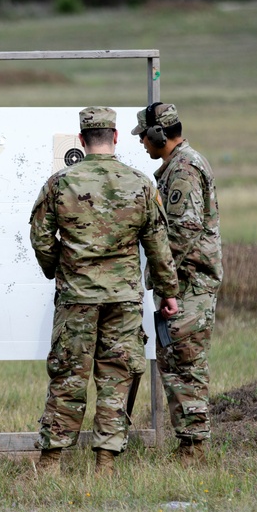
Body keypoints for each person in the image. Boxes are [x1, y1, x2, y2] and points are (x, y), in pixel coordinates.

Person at [29, 107, 179, 476]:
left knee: (68, 376)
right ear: (114, 138)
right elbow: (158, 245)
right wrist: (168, 291)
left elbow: (40, 237)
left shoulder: (60, 183)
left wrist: (57, 271)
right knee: (116, 376)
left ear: (82, 140)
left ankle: (51, 463)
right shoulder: (141, 183)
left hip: (77, 298)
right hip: (124, 300)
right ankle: (106, 463)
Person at [132, 102, 222, 465]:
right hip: (184, 283)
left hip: (190, 284)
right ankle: (188, 443)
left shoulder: (183, 169)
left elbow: (183, 232)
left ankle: (195, 448)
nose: (142, 144)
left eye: (145, 137)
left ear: (158, 135)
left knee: (186, 363)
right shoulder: (180, 165)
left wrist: (161, 281)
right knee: (175, 360)